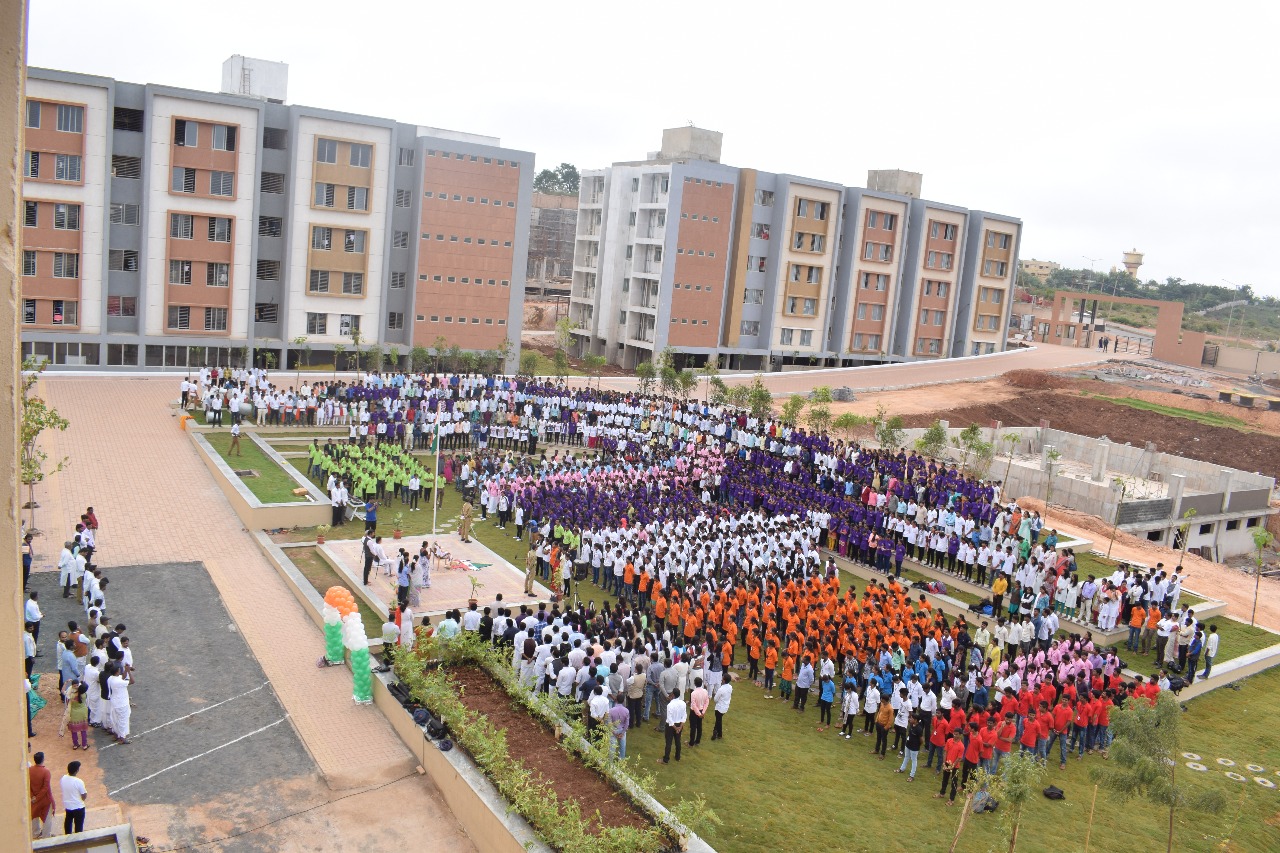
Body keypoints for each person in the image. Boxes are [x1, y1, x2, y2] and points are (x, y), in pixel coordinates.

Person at [29, 752, 55, 838]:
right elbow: (45, 788)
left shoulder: (29, 770)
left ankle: (35, 834)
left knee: (34, 816)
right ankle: (46, 835)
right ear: (43, 759)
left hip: (33, 799)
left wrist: (33, 797)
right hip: (44, 799)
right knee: (47, 819)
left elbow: (28, 785)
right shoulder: (46, 771)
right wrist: (37, 798)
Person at [60, 760, 87, 835]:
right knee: (78, 826)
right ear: (76, 770)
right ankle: (78, 840)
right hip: (78, 806)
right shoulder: (78, 781)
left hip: (68, 805)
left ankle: (67, 837)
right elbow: (84, 795)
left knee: (68, 821)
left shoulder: (63, 778)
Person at [661, 689, 685, 764]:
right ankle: (678, 757)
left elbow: (669, 719)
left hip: (671, 726)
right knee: (678, 741)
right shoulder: (683, 703)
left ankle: (666, 759)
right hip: (679, 724)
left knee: (668, 742)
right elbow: (684, 716)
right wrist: (680, 727)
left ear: (673, 695)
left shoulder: (670, 705)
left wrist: (675, 728)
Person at [687, 677, 708, 747]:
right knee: (699, 726)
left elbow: (693, 704)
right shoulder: (705, 691)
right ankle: (697, 741)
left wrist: (699, 713)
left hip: (694, 712)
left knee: (693, 727)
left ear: (695, 684)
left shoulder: (693, 693)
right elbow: (706, 702)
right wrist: (702, 712)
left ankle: (691, 743)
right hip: (701, 711)